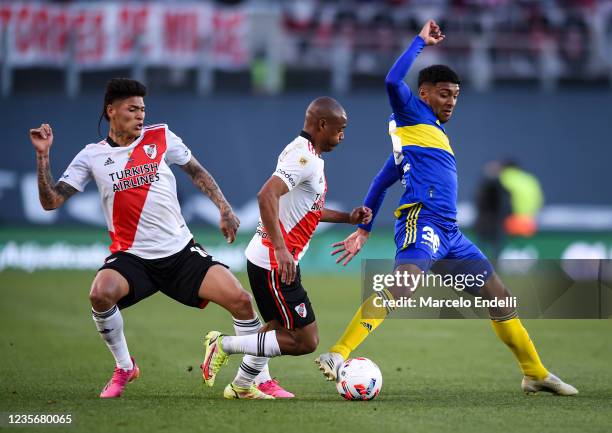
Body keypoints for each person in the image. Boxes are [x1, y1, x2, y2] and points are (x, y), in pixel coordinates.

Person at [314, 21, 578, 396]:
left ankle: (534, 372)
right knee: (403, 285)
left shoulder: (418, 138)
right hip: (421, 220)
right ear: (423, 94)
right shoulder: (410, 113)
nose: (451, 100)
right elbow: (391, 81)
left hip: (449, 233)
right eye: (443, 94)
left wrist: (363, 230)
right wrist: (420, 42)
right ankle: (339, 353)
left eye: (455, 95)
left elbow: (381, 180)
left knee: (499, 297)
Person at [29, 78, 267, 399]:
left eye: (143, 109)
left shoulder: (160, 137)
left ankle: (257, 379)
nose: (140, 115)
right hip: (132, 258)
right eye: (132, 109)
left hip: (181, 254)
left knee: (241, 301)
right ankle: (125, 366)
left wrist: (224, 208)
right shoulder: (92, 156)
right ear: (111, 111)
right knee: (101, 294)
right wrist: (43, 156)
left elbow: (197, 171)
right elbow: (51, 201)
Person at [200, 97, 373, 399]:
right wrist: (281, 250)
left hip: (271, 258)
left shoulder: (306, 154)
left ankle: (242, 385)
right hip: (275, 262)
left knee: (277, 328)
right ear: (322, 125)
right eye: (339, 129)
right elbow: (266, 195)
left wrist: (347, 218)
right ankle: (222, 344)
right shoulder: (302, 159)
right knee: (305, 340)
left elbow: (307, 209)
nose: (342, 135)